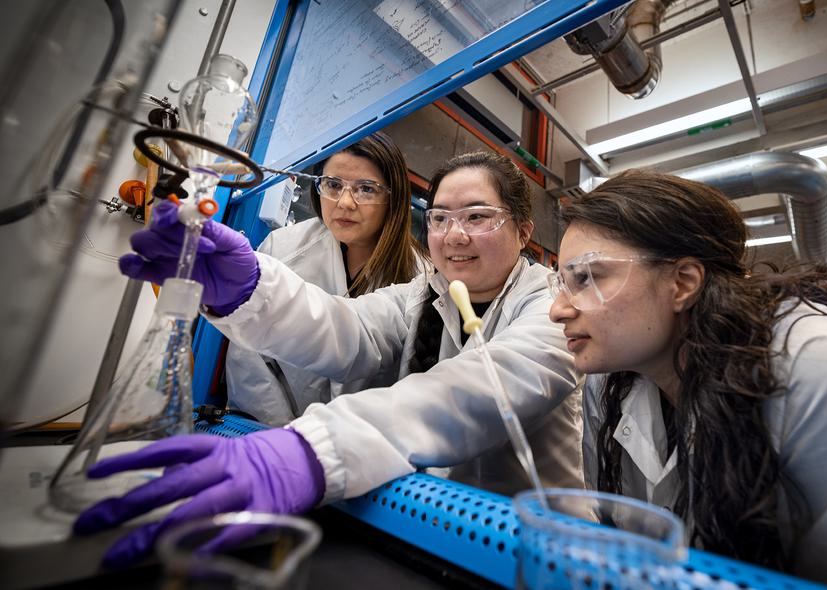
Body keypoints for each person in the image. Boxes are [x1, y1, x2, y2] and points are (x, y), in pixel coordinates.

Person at [74, 151, 584, 567]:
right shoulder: (420, 296)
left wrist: (317, 449)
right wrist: (250, 290)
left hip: (534, 550)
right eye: (441, 218)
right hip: (432, 531)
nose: (453, 235)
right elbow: (347, 328)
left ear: (522, 231)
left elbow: (482, 388)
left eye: (477, 217)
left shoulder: (553, 306)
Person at [547, 168, 827, 589]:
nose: (558, 310)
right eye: (562, 283)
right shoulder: (613, 382)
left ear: (683, 282)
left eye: (587, 277)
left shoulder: (821, 366)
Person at [225, 131, 423, 425]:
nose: (345, 202)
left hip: (363, 449)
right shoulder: (283, 248)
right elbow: (249, 357)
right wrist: (282, 438)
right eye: (333, 185)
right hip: (271, 432)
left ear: (392, 199)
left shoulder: (419, 276)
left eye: (366, 189)